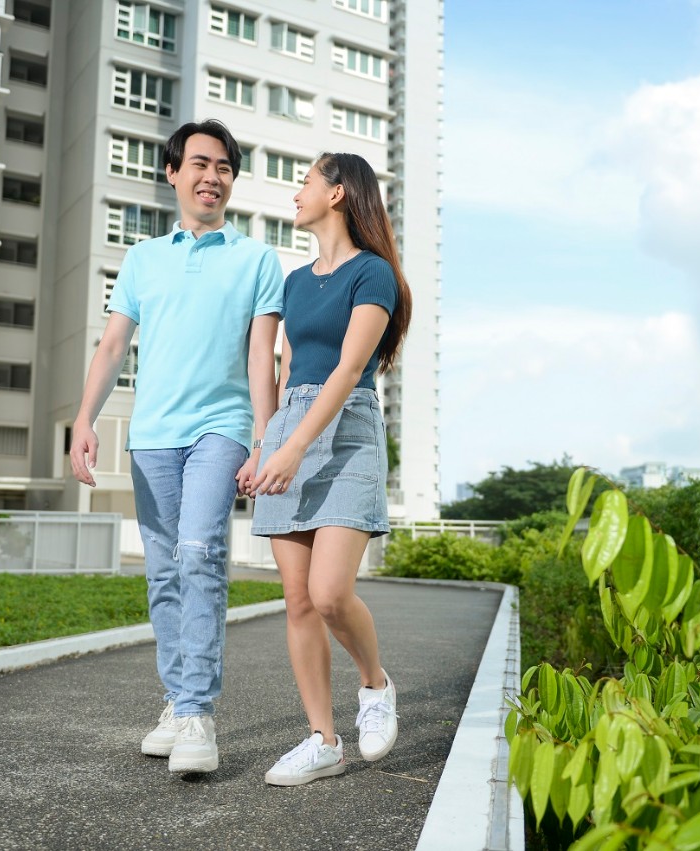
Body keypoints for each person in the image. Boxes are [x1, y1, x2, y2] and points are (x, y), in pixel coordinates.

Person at [69, 119, 282, 775]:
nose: (211, 176)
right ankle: (177, 699)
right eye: (199, 163)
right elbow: (112, 346)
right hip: (153, 436)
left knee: (198, 550)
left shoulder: (257, 260)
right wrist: (84, 419)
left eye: (223, 166)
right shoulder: (142, 258)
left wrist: (263, 439)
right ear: (173, 173)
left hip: (220, 429)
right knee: (162, 572)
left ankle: (197, 715)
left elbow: (260, 356)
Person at [247, 152, 413, 787]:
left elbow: (347, 370)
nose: (298, 192)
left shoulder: (373, 275)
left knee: (329, 593)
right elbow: (289, 370)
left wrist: (294, 449)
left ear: (339, 194)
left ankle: (375, 686)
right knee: (296, 601)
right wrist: (267, 444)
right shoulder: (295, 281)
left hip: (346, 431)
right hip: (290, 425)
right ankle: (322, 740)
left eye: (307, 181)